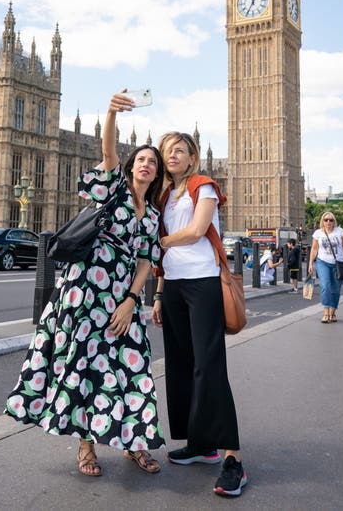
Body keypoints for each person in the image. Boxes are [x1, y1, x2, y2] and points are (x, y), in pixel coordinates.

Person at [4, 90, 166, 478]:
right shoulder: (114, 189)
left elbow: (146, 260)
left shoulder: (153, 213)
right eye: (140, 159)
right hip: (84, 292)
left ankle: (135, 441)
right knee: (84, 365)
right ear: (130, 167)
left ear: (157, 174)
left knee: (132, 366)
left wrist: (132, 300)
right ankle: (86, 447)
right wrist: (111, 112)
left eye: (152, 162)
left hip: (119, 297)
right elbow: (108, 151)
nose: (145, 164)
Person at [153, 131, 248, 497]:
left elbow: (194, 232)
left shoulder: (202, 186)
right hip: (175, 286)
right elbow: (165, 259)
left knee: (209, 366)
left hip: (204, 282)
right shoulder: (165, 195)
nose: (173, 156)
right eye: (167, 152)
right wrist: (159, 294)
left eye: (180, 151)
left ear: (193, 158)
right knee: (180, 365)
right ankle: (200, 443)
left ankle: (232, 459)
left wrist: (159, 241)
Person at [308, 213, 343, 323]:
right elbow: (314, 249)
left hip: (338, 263)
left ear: (334, 221)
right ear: (322, 221)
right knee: (325, 286)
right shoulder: (318, 233)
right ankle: (326, 313)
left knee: (335, 289)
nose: (328, 222)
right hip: (322, 262)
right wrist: (311, 263)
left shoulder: (340, 231)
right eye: (326, 220)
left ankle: (333, 312)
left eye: (331, 220)